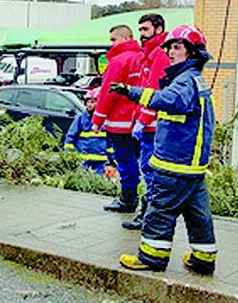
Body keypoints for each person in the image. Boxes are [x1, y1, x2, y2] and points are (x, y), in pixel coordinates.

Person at [110, 25, 218, 275]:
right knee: (198, 215)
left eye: (177, 47)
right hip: (192, 166)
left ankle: (151, 258)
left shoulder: (184, 82)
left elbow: (168, 100)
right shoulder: (195, 80)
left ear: (192, 53)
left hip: (174, 164)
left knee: (160, 210)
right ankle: (203, 259)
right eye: (169, 47)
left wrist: (131, 92)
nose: (170, 52)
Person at [123, 13, 171, 231]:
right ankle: (147, 215)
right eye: (140, 29)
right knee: (148, 170)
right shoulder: (151, 53)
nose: (141, 34)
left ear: (158, 29)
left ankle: (149, 217)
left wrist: (143, 120)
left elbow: (153, 92)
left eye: (145, 29)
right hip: (148, 124)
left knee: (149, 170)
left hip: (152, 125)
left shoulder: (159, 54)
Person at [91, 24, 143, 213]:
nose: (111, 44)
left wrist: (97, 119)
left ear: (126, 38)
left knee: (124, 160)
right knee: (137, 160)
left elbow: (108, 93)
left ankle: (128, 200)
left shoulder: (118, 61)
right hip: (139, 121)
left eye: (114, 39)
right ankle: (137, 198)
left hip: (119, 121)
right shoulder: (143, 58)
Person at [63, 88, 115, 174]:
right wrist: (70, 155)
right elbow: (70, 138)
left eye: (92, 102)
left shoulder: (105, 120)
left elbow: (110, 142)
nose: (89, 105)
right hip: (83, 161)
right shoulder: (80, 119)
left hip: (100, 163)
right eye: (88, 102)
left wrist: (112, 159)